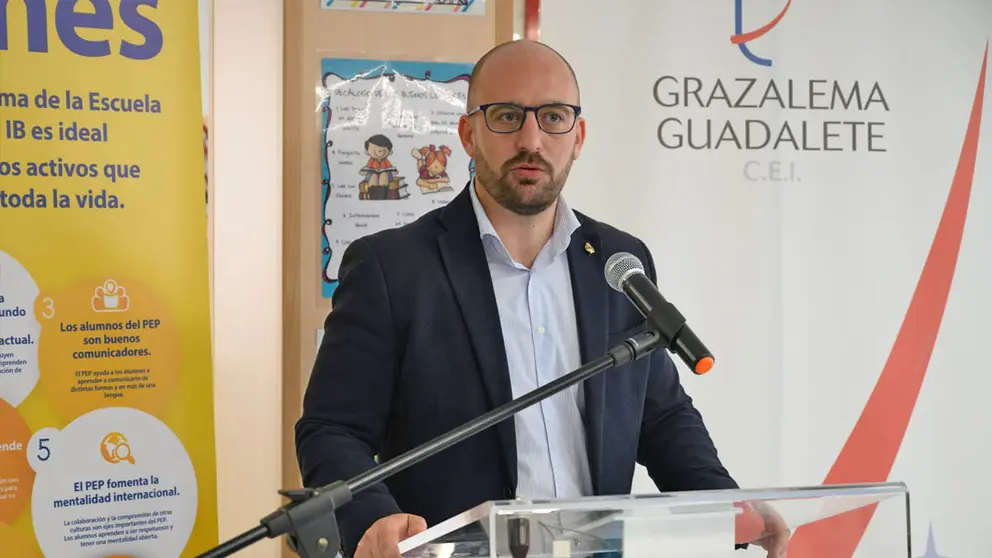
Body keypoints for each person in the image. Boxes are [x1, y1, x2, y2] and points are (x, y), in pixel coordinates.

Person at [296, 39, 789, 558]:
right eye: (507, 116)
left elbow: (660, 414)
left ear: (578, 137)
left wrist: (725, 503)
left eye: (553, 117)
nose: (531, 139)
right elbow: (332, 428)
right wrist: (377, 517)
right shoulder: (393, 267)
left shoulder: (618, 262)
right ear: (468, 135)